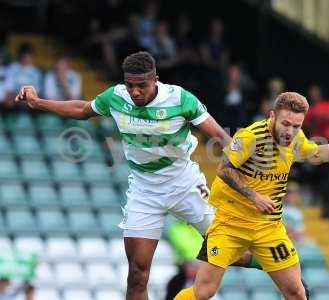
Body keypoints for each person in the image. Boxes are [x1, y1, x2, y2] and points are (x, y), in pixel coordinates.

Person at [16, 51, 260, 300]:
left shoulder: (180, 99)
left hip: (183, 182)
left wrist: (251, 169)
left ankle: (278, 265)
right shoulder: (116, 97)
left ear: (155, 79)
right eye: (130, 85)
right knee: (137, 274)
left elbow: (221, 137)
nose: (134, 92)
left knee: (235, 253)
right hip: (144, 190)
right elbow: (82, 108)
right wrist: (38, 102)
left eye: (141, 85)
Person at [175, 92, 329, 300]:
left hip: (268, 227)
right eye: (286, 124)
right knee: (203, 292)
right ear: (272, 116)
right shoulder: (251, 136)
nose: (290, 131)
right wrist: (255, 196)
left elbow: (315, 155)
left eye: (296, 126)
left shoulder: (295, 139)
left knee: (297, 293)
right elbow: (224, 169)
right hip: (229, 223)